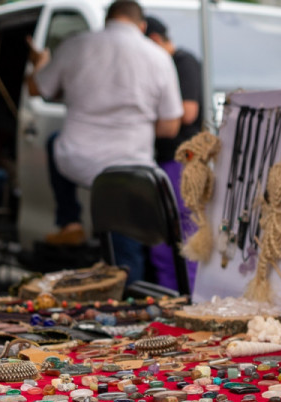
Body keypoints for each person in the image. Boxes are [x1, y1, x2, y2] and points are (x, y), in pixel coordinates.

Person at [27, 0, 182, 283]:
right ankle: (128, 304)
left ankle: (69, 220)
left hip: (76, 158)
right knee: (124, 248)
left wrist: (40, 63)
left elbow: (38, 88)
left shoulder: (76, 45)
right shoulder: (158, 57)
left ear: (107, 20)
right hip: (129, 166)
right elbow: (170, 126)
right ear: (142, 25)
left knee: (53, 142)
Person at [143, 15, 202, 292]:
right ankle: (171, 296)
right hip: (161, 161)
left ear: (154, 40)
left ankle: (191, 297)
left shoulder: (183, 61)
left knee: (185, 234)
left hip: (181, 161)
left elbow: (188, 112)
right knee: (162, 238)